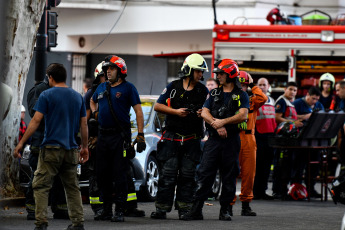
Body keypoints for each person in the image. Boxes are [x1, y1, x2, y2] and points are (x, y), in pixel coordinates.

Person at [14, 63, 89, 230]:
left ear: (50, 78)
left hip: (51, 149)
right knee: (72, 187)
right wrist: (84, 147)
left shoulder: (46, 95)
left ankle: (41, 222)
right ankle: (78, 223)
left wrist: (21, 143)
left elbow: (35, 121)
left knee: (41, 185)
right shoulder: (78, 97)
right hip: (71, 150)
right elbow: (84, 124)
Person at [181, 59, 249, 221]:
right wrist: (216, 125)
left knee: (229, 176)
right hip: (213, 141)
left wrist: (223, 122)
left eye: (221, 73)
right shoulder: (214, 93)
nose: (218, 76)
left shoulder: (241, 95)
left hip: (231, 141)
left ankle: (225, 210)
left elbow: (243, 115)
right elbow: (204, 112)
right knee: (204, 174)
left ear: (231, 74)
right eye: (217, 74)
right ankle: (196, 210)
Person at [150, 53, 209, 220]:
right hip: (171, 139)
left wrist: (201, 112)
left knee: (188, 176)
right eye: (198, 71)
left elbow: (208, 110)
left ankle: (185, 210)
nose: (201, 75)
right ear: (189, 71)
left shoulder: (202, 90)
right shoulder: (173, 87)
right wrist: (176, 112)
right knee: (167, 175)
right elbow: (158, 106)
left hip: (192, 140)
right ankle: (161, 209)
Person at [90, 55, 146, 223]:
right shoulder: (100, 87)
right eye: (106, 69)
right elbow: (93, 102)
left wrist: (141, 135)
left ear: (121, 71)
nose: (108, 72)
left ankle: (119, 210)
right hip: (103, 136)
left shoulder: (129, 88)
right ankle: (106, 210)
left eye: (111, 69)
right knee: (102, 174)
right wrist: (95, 113)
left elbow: (138, 112)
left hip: (120, 136)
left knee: (120, 174)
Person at [25, 72, 69, 221]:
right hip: (40, 142)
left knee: (59, 178)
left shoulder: (59, 92)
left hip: (57, 142)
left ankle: (60, 209)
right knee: (38, 177)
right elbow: (34, 114)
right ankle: (33, 209)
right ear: (50, 78)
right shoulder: (38, 90)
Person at [230, 71, 267, 216]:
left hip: (249, 138)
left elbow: (263, 97)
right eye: (240, 85)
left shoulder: (252, 100)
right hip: (233, 137)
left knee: (249, 173)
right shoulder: (230, 99)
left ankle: (246, 205)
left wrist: (253, 84)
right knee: (231, 172)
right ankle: (229, 205)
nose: (242, 88)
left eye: (245, 85)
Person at [83, 62, 107, 219]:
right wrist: (91, 138)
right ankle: (98, 208)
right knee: (95, 175)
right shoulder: (91, 94)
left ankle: (118, 207)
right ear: (100, 76)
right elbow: (84, 120)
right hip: (96, 142)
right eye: (107, 73)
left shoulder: (115, 91)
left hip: (112, 140)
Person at [272, 82, 303, 200]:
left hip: (289, 139)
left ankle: (283, 190)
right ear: (285, 89)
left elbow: (292, 117)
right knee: (280, 166)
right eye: (290, 89)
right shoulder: (282, 101)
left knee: (287, 166)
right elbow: (277, 117)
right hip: (281, 139)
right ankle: (277, 191)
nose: (293, 92)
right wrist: (293, 123)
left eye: (295, 90)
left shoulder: (291, 103)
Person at [291, 86, 324, 198]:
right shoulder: (297, 103)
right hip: (300, 140)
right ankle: (296, 188)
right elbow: (291, 117)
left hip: (314, 140)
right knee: (299, 165)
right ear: (307, 95)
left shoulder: (319, 105)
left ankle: (311, 188)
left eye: (316, 99)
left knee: (314, 166)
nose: (314, 101)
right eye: (313, 98)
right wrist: (306, 116)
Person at [253, 78, 277, 200]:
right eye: (260, 85)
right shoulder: (255, 99)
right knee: (258, 166)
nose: (262, 87)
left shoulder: (272, 100)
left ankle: (262, 191)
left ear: (268, 86)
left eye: (264, 85)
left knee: (267, 167)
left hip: (270, 137)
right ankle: (256, 192)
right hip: (259, 136)